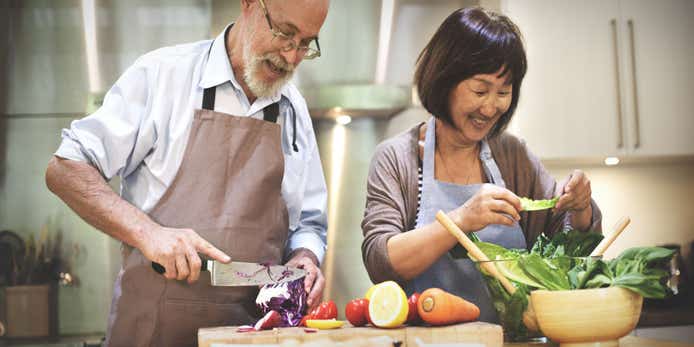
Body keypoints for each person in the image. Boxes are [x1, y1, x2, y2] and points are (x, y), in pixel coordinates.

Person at [45, 0, 329, 345]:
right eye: (285, 34)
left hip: (251, 338)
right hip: (151, 333)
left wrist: (305, 256)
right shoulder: (163, 76)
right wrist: (148, 233)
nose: (291, 56)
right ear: (250, 4)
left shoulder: (294, 109)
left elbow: (309, 224)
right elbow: (65, 168)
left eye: (305, 43)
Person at [361, 7, 602, 323]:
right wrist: (461, 220)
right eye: (479, 90)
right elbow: (381, 260)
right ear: (444, 80)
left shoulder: (512, 155)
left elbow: (569, 248)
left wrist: (580, 208)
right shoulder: (396, 159)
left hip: (513, 340)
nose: (491, 107)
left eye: (503, 91)